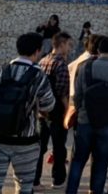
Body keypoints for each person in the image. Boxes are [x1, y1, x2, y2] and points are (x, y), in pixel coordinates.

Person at [0, 32, 56, 194]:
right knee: (24, 187)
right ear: (37, 51)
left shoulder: (1, 71)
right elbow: (49, 105)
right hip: (26, 141)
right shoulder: (39, 76)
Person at [66, 35, 108, 194]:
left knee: (78, 160)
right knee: (101, 161)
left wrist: (80, 111)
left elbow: (77, 95)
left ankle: (71, 190)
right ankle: (96, 190)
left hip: (85, 120)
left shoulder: (85, 67)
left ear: (98, 50)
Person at [34, 32, 72, 190]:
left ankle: (35, 179)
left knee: (40, 146)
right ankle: (58, 180)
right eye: (69, 45)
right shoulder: (61, 64)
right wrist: (66, 111)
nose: (70, 48)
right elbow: (62, 91)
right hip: (56, 110)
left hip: (42, 110)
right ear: (61, 44)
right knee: (59, 146)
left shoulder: (42, 60)